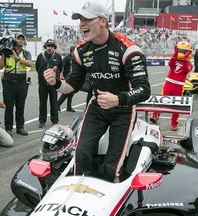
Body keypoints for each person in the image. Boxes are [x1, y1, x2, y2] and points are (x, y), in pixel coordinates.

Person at [43, 1, 151, 182]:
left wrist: (118, 99)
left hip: (123, 110)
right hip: (96, 108)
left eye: (88, 19)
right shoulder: (81, 51)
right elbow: (71, 86)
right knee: (82, 154)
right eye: (80, 20)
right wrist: (56, 84)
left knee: (112, 165)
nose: (82, 24)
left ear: (103, 21)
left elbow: (144, 89)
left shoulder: (128, 48)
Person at [150, 41, 193, 131]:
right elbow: (170, 64)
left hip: (179, 86)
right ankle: (155, 116)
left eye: (184, 51)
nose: (182, 53)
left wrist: (185, 59)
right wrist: (175, 54)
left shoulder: (189, 64)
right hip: (168, 83)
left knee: (176, 104)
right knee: (162, 100)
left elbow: (186, 70)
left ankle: (174, 123)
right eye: (181, 51)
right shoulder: (174, 60)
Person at [0, 33, 33, 136]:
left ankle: (20, 127)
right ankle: (8, 128)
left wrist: (17, 58)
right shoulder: (7, 52)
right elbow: (0, 67)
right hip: (9, 83)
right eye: (19, 38)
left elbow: (30, 64)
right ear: (15, 40)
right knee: (9, 106)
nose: (21, 41)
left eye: (23, 39)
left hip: (22, 83)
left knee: (20, 106)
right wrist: (3, 54)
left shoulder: (26, 53)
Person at [36, 39, 62, 128]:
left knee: (54, 102)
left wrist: (56, 78)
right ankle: (42, 121)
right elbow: (37, 68)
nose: (49, 48)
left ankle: (55, 120)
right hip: (43, 84)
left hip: (53, 84)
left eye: (51, 46)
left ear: (54, 47)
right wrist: (42, 77)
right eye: (48, 46)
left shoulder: (58, 57)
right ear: (45, 47)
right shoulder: (40, 56)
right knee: (42, 103)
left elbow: (60, 68)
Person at [57, 46, 76, 112]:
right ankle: (57, 105)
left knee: (71, 93)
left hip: (73, 77)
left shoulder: (75, 58)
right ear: (71, 51)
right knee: (66, 93)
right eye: (74, 51)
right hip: (67, 77)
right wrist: (61, 76)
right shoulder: (66, 58)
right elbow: (61, 67)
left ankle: (69, 107)